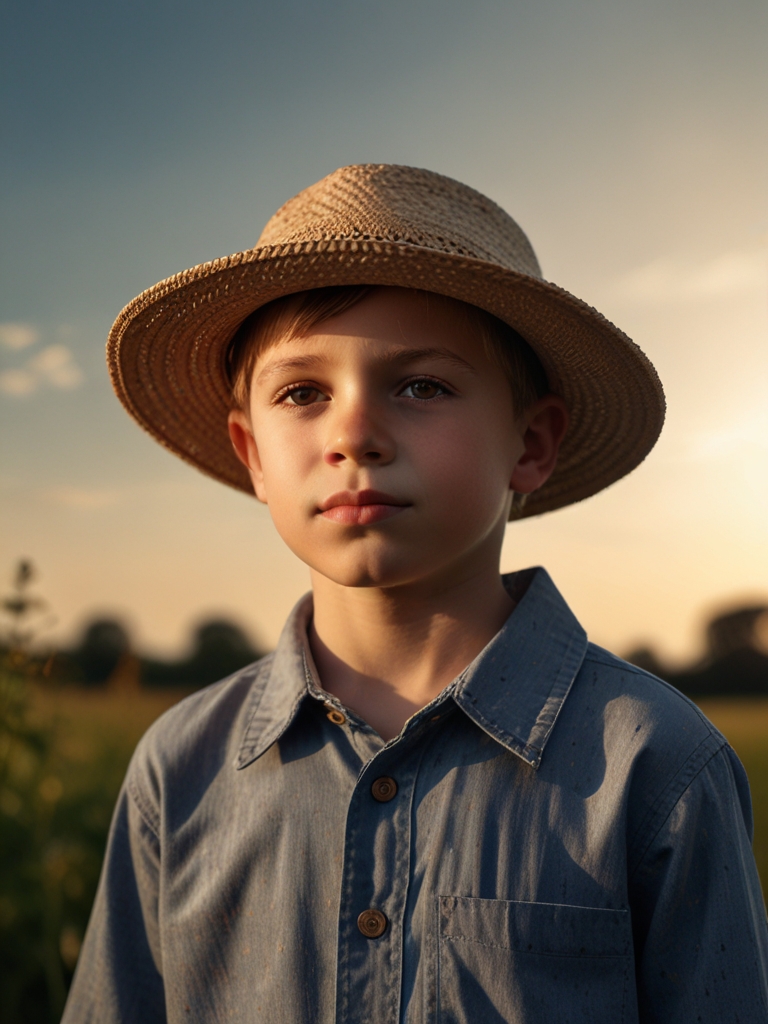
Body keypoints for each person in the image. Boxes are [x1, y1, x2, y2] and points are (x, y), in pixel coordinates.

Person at [62, 164, 768, 1023]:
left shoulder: (656, 765)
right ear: (251, 452)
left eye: (422, 386)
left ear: (532, 443)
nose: (354, 433)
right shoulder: (179, 769)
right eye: (303, 393)